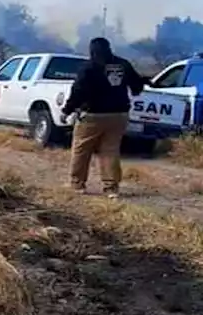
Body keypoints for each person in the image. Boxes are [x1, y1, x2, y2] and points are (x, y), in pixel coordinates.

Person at [60, 37, 146, 198]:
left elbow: (78, 91)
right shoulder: (123, 64)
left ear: (92, 50)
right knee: (110, 150)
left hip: (93, 114)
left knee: (82, 149)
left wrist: (67, 111)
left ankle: (77, 184)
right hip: (119, 114)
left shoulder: (89, 67)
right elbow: (137, 85)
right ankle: (111, 188)